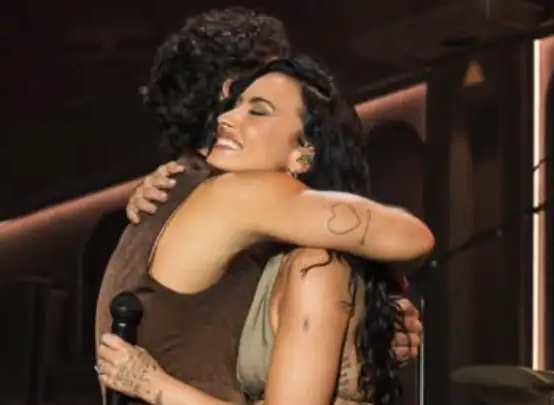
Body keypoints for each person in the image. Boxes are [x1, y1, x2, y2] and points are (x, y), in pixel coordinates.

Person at [96, 56, 433, 405]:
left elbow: (415, 238)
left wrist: (150, 383)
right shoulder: (266, 248)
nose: (225, 118)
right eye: (235, 105)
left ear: (302, 155)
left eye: (258, 111)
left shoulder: (285, 233)